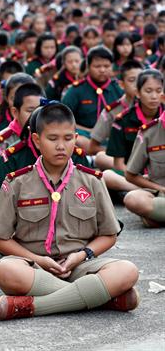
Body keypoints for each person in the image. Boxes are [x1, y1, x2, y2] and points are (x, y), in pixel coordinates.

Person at [0, 102, 139, 320]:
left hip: (81, 265)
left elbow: (108, 235)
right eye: (53, 139)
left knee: (127, 270)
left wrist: (81, 256)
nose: (61, 146)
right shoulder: (17, 182)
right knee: (5, 271)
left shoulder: (92, 181)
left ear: (76, 139)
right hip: (34, 267)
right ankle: (100, 297)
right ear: (37, 140)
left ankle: (36, 306)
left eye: (68, 138)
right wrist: (37, 260)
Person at [103, 69, 163, 193]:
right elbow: (119, 164)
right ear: (138, 93)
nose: (154, 96)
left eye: (158, 91)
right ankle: (150, 190)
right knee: (107, 175)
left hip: (160, 175)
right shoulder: (122, 120)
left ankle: (145, 191)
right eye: (148, 91)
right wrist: (140, 180)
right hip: (133, 175)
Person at [62, 46, 124, 150]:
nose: (102, 70)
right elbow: (63, 119)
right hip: (86, 135)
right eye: (97, 66)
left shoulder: (119, 89)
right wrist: (90, 131)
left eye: (106, 66)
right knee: (77, 140)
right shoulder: (76, 90)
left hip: (113, 136)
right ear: (88, 66)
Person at [123, 92, 165, 226]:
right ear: (163, 98)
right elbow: (130, 175)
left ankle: (157, 219)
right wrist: (159, 188)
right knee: (133, 199)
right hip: (161, 195)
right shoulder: (149, 132)